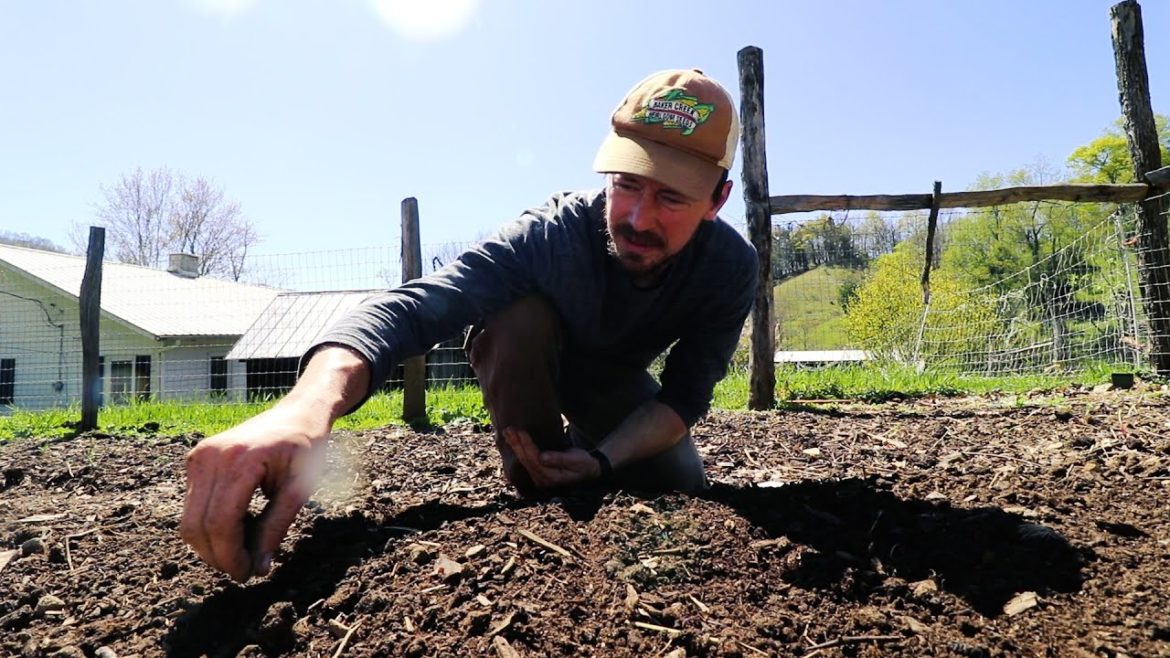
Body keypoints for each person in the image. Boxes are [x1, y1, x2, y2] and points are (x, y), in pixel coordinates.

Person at [180, 68, 759, 582]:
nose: (636, 217)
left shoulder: (729, 268)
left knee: (680, 485)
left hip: (614, 382)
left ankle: (586, 452)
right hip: (529, 359)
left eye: (671, 198)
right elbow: (415, 307)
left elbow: (684, 397)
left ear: (717, 200)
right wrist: (304, 408)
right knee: (514, 315)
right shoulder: (552, 234)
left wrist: (605, 461)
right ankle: (540, 472)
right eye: (626, 182)